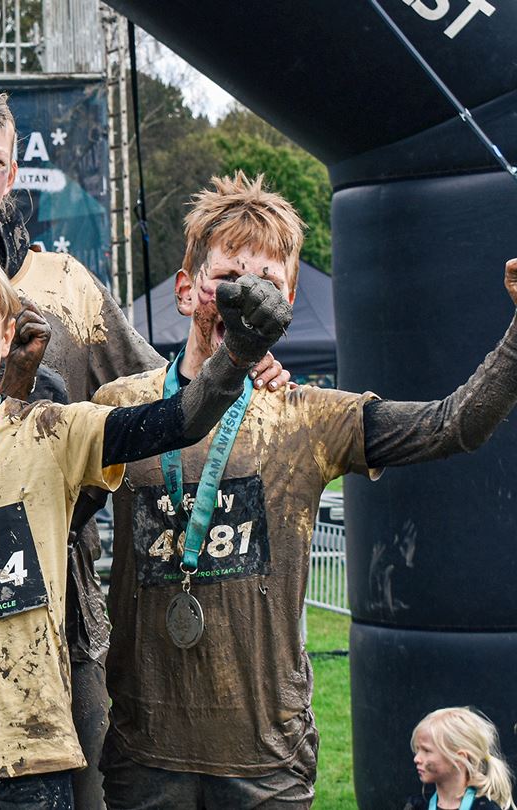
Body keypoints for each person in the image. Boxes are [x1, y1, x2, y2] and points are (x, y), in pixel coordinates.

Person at [0, 79, 291, 810]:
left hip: (52, 618)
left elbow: (165, 399)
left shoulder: (65, 286)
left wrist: (241, 360)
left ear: (12, 174)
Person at [92, 173, 517, 810]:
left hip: (267, 760)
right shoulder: (119, 408)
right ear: (186, 291)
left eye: (267, 283)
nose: (246, 296)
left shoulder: (309, 416)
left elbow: (452, 425)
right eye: (228, 277)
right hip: (146, 751)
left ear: (288, 303)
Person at [405, 707, 514, 810]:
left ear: (460, 758)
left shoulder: (484, 807)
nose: (416, 759)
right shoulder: (416, 805)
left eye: (426, 751)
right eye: (417, 750)